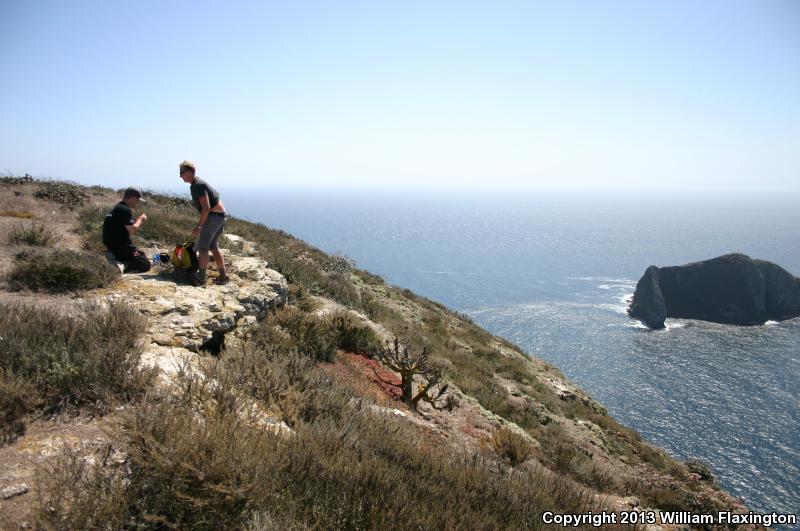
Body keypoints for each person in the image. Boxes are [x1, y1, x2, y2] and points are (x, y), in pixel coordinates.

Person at [179, 160, 228, 287]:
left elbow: (206, 208)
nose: (180, 176)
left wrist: (199, 227)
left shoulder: (198, 185)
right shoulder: (198, 184)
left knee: (203, 247)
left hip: (214, 217)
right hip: (220, 216)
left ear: (189, 172)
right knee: (213, 246)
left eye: (182, 172)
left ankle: (201, 279)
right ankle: (223, 277)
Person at [102, 187, 151, 273]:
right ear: (132, 198)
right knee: (145, 264)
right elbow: (133, 230)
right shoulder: (124, 210)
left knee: (141, 254)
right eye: (137, 200)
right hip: (122, 247)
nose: (137, 203)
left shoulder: (117, 208)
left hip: (112, 246)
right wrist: (141, 219)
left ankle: (115, 257)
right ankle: (122, 265)